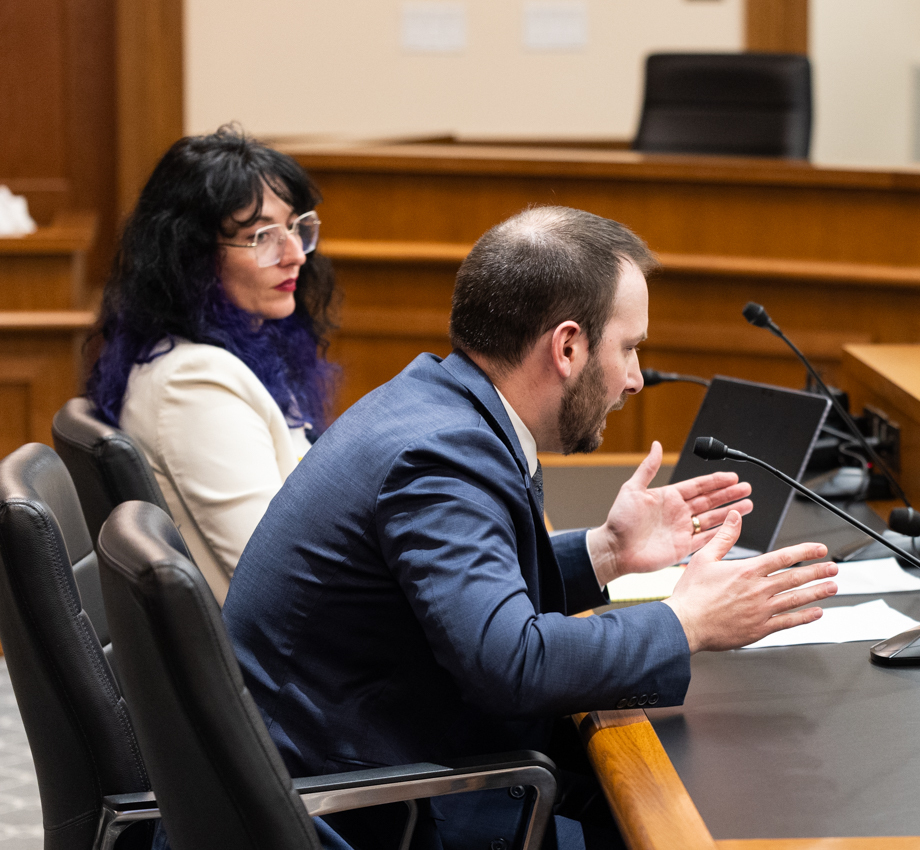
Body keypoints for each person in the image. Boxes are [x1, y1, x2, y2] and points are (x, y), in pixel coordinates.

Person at [224, 206, 839, 849]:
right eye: (628, 349)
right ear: (567, 347)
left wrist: (606, 552)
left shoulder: (437, 406)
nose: (634, 380)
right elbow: (510, 663)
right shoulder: (441, 457)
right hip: (369, 814)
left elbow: (449, 599)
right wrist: (687, 623)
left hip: (354, 772)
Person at [87, 126, 336, 602]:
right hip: (278, 664)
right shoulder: (195, 385)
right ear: (192, 256)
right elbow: (281, 574)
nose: (292, 255)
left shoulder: (231, 351)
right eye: (261, 235)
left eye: (295, 227)